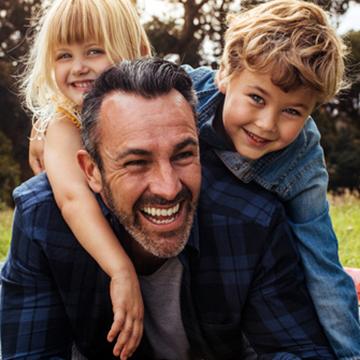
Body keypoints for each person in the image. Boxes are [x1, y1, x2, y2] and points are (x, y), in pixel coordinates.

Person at [2, 57, 335, 359]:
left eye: (183, 155)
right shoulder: (43, 220)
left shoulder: (252, 220)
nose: (168, 187)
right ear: (91, 171)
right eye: (136, 162)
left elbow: (299, 350)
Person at [183, 0, 360, 358]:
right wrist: (54, 126)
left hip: (246, 270)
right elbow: (108, 92)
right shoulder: (184, 92)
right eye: (256, 97)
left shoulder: (303, 161)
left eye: (292, 111)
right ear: (224, 75)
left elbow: (321, 263)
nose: (267, 124)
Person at [21, 0, 151, 358]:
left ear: (135, 52)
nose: (78, 67)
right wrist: (120, 270)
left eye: (94, 51)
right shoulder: (63, 123)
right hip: (89, 270)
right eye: (63, 55)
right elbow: (73, 199)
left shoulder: (154, 102)